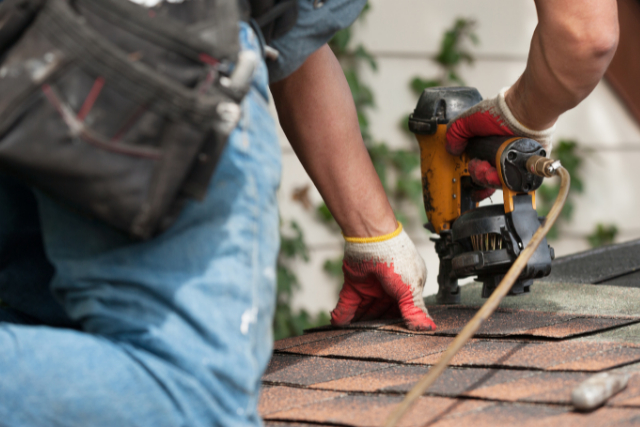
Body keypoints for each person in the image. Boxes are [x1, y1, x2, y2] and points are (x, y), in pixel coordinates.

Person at [0, 1, 618, 426]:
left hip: (27, 46)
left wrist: (374, 232)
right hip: (151, 44)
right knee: (193, 400)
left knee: (58, 340)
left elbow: (282, 32)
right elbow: (583, 37)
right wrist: (516, 119)